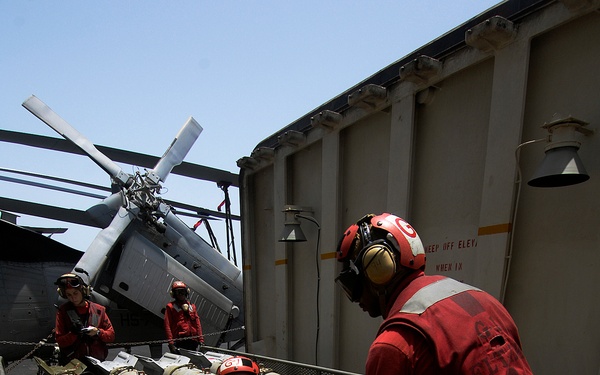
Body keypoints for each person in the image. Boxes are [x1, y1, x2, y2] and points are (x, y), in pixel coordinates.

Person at [335, 213, 533, 374]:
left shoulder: (394, 345)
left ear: (378, 269)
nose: (355, 299)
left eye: (353, 284)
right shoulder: (489, 304)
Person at [54, 273, 115, 365]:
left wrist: (98, 332)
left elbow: (111, 336)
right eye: (69, 295)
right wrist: (73, 334)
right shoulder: (63, 312)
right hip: (73, 365)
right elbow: (60, 341)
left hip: (96, 364)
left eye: (75, 293)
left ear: (83, 291)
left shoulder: (99, 310)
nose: (73, 298)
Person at [164, 280, 204, 352]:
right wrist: (171, 343)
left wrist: (201, 340)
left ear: (186, 292)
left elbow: (197, 324)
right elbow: (167, 325)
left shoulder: (192, 306)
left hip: (192, 341)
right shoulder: (170, 307)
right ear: (173, 294)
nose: (180, 294)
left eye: (182, 291)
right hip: (179, 342)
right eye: (178, 292)